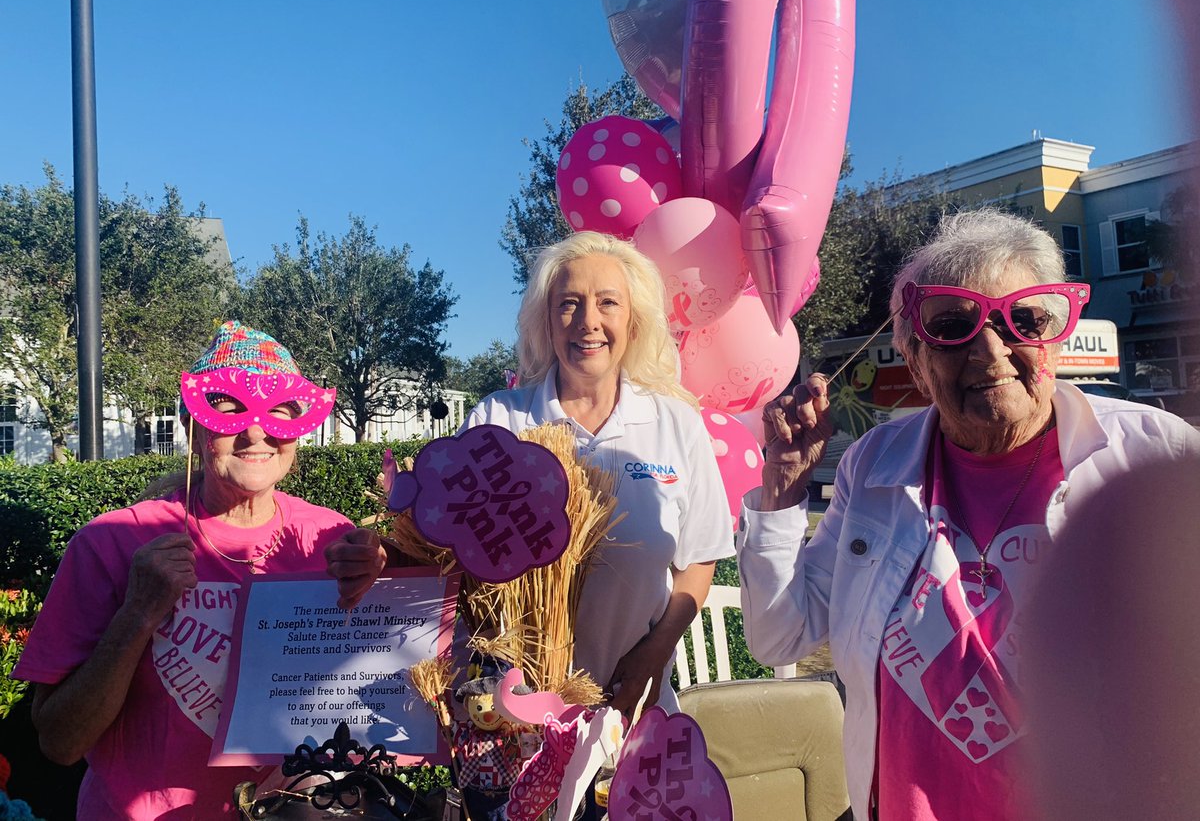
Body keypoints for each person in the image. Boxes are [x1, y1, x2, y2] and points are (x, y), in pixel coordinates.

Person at [736, 209, 1200, 821]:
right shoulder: (873, 467)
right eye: (953, 326)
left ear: (1054, 337)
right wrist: (784, 487)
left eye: (1024, 319)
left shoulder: (1152, 452)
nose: (990, 350)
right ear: (916, 358)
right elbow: (780, 636)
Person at [331, 231, 734, 718]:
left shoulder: (676, 424)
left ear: (634, 319)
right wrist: (385, 556)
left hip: (633, 709)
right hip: (507, 719)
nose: (588, 322)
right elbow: (445, 549)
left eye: (608, 302)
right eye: (569, 303)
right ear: (546, 319)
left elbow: (699, 560)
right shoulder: (499, 422)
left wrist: (653, 655)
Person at [13, 321, 384, 820]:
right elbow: (59, 741)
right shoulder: (110, 543)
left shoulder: (329, 537)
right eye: (228, 408)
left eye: (280, 410)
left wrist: (382, 589)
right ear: (193, 425)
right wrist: (139, 613)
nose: (256, 430)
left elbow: (364, 693)